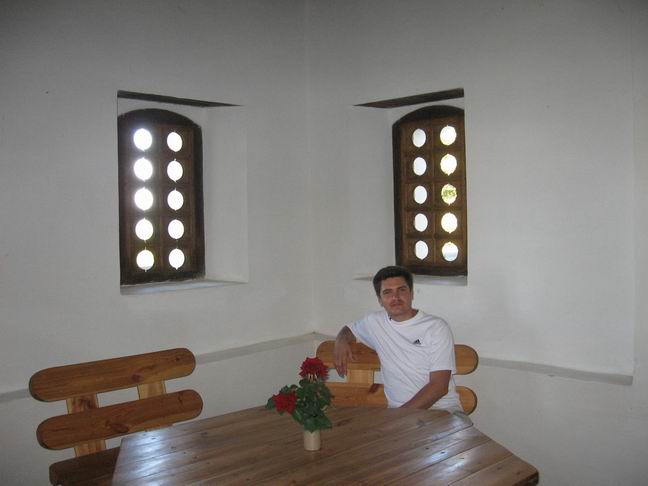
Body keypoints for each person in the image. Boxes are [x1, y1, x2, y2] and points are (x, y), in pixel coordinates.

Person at [333, 265, 462, 411]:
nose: (395, 297)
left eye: (401, 290)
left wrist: (399, 417)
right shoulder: (374, 322)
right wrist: (340, 340)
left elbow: (439, 387)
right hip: (400, 415)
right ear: (380, 300)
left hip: (443, 411)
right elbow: (349, 330)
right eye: (387, 292)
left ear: (411, 293)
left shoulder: (436, 327)